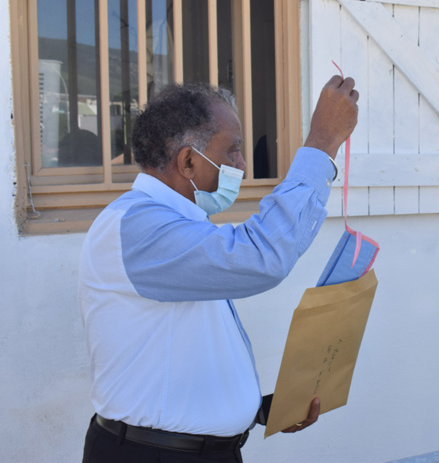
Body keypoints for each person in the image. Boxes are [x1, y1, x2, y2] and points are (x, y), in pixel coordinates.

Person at [79, 75, 359, 463]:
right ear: (189, 161)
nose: (242, 166)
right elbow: (262, 256)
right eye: (233, 151)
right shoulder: (138, 227)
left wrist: (257, 409)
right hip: (154, 455)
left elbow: (186, 353)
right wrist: (322, 143)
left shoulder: (182, 226)